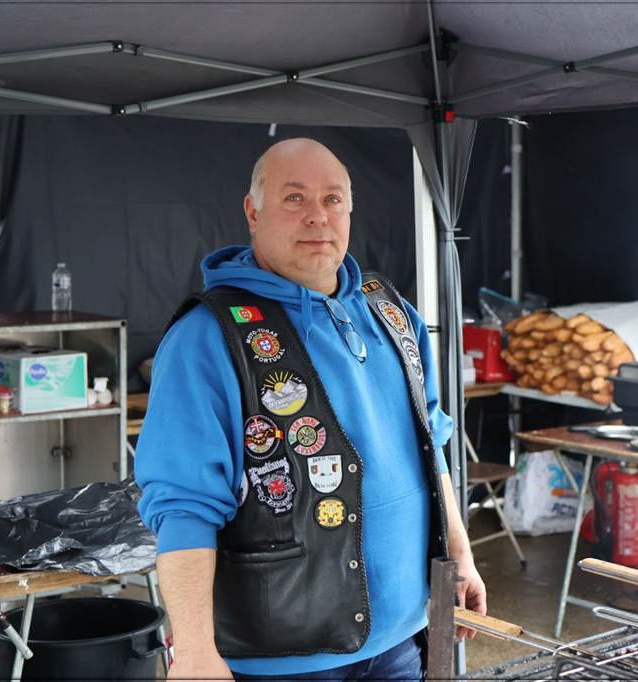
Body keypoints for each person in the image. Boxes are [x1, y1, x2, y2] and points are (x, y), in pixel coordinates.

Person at [135, 138, 486, 680]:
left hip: (400, 638)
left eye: (333, 199)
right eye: (294, 198)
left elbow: (430, 443)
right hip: (285, 656)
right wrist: (196, 650)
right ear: (253, 212)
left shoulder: (391, 311)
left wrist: (459, 555)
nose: (318, 216)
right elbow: (183, 506)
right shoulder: (208, 336)